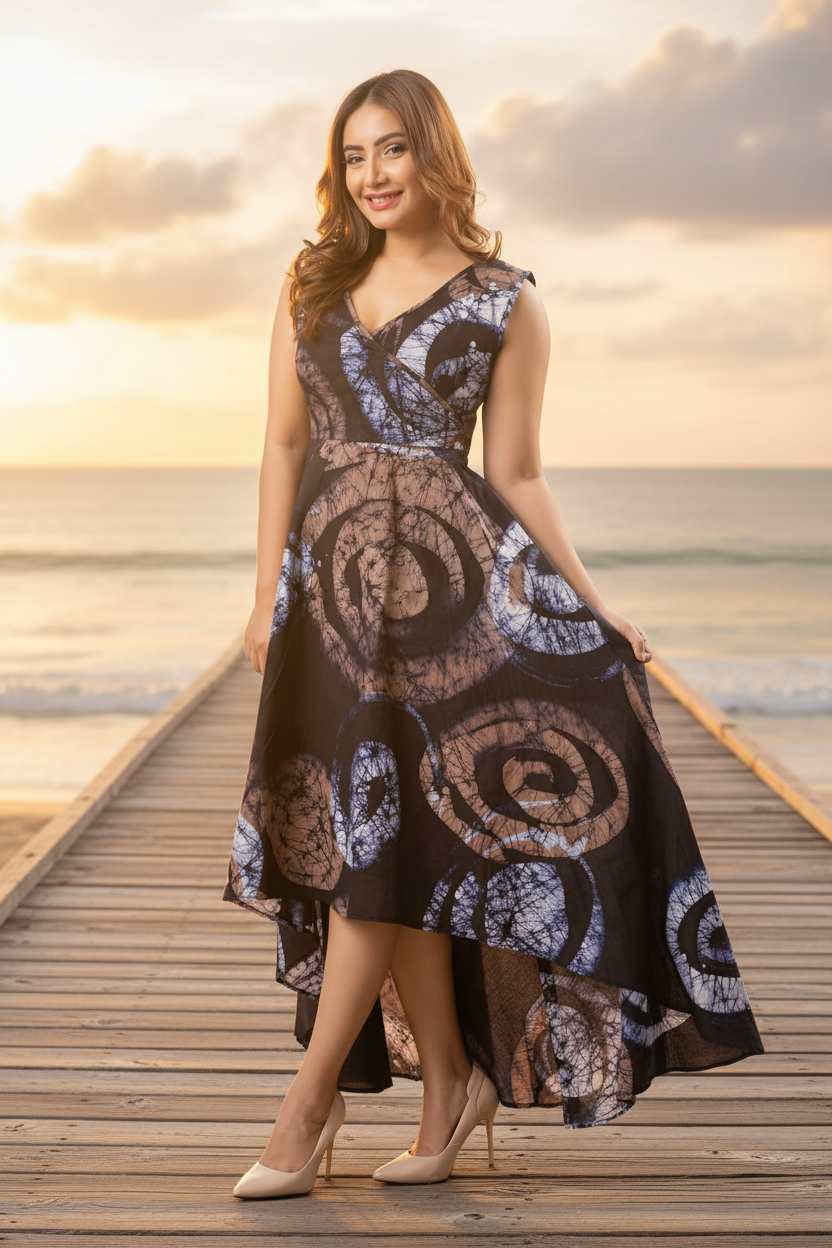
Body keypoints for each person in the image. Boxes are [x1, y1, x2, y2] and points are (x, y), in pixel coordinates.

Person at [223, 68, 764, 1200]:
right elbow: (282, 444)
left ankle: (307, 1105)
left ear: (436, 155)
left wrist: (593, 602)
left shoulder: (507, 302)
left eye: (392, 150)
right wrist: (267, 587)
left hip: (452, 616)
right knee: (399, 855)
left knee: (382, 861)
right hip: (331, 608)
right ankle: (450, 1086)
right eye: (353, 156)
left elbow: (516, 473)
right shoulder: (311, 284)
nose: (372, 175)